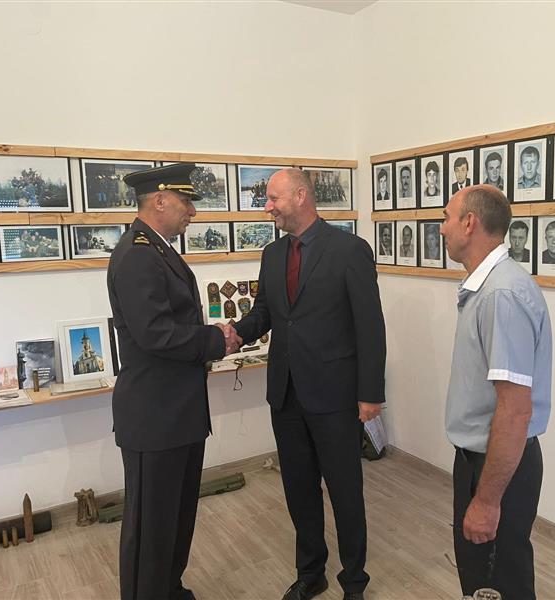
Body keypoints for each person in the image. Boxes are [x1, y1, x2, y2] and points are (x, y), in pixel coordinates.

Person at [223, 168, 386, 600]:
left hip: (335, 396)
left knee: (345, 493)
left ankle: (354, 581)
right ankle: (311, 572)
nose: (267, 207)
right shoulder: (273, 254)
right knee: (299, 491)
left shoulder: (349, 250)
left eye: (273, 198)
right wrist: (235, 333)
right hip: (286, 395)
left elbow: (371, 327)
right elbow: (266, 313)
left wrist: (371, 394)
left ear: (300, 196)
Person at [107, 163, 238, 600]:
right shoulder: (138, 254)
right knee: (151, 529)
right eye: (186, 202)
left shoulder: (157, 250)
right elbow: (156, 334)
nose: (192, 212)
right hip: (155, 417)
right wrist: (216, 340)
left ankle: (168, 589)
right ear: (160, 200)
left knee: (175, 520)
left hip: (176, 414)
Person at [439, 184, 551, 599]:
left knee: (496, 584)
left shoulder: (502, 295)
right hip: (482, 459)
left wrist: (487, 501)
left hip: (497, 465)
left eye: (446, 217)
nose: (441, 228)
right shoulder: (488, 287)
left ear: (469, 223)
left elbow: (515, 410)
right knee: (481, 578)